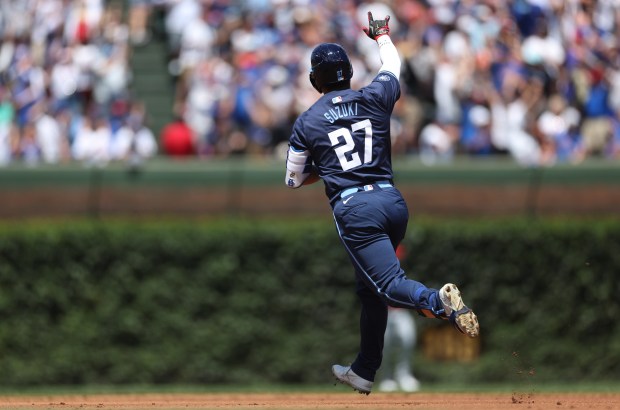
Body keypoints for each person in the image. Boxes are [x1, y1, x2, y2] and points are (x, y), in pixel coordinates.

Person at [284, 12, 479, 395]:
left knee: (388, 286)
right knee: (369, 290)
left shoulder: (308, 121)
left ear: (313, 80)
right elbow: (393, 65)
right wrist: (383, 35)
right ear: (349, 73)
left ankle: (438, 302)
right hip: (392, 201)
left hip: (356, 209)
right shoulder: (373, 96)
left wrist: (326, 167)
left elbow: (292, 180)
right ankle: (364, 370)